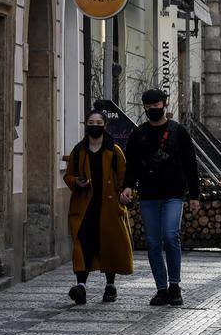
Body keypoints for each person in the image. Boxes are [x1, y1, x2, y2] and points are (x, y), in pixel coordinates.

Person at [122, 89, 200, 307]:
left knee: (170, 235)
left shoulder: (178, 132)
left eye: (156, 105)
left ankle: (175, 284)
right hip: (148, 196)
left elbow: (190, 165)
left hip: (174, 194)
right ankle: (161, 289)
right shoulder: (138, 135)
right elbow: (132, 166)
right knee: (154, 243)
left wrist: (194, 195)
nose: (152, 110)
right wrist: (128, 186)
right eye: (148, 107)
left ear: (164, 105)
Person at [62, 108, 134, 305]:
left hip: (109, 206)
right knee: (83, 244)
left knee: (109, 245)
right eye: (91, 123)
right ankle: (81, 286)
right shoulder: (79, 150)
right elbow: (68, 176)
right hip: (84, 207)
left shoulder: (115, 151)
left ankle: (110, 285)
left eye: (98, 123)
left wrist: (125, 195)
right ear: (86, 125)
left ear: (104, 126)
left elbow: (123, 177)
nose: (95, 126)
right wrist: (78, 182)